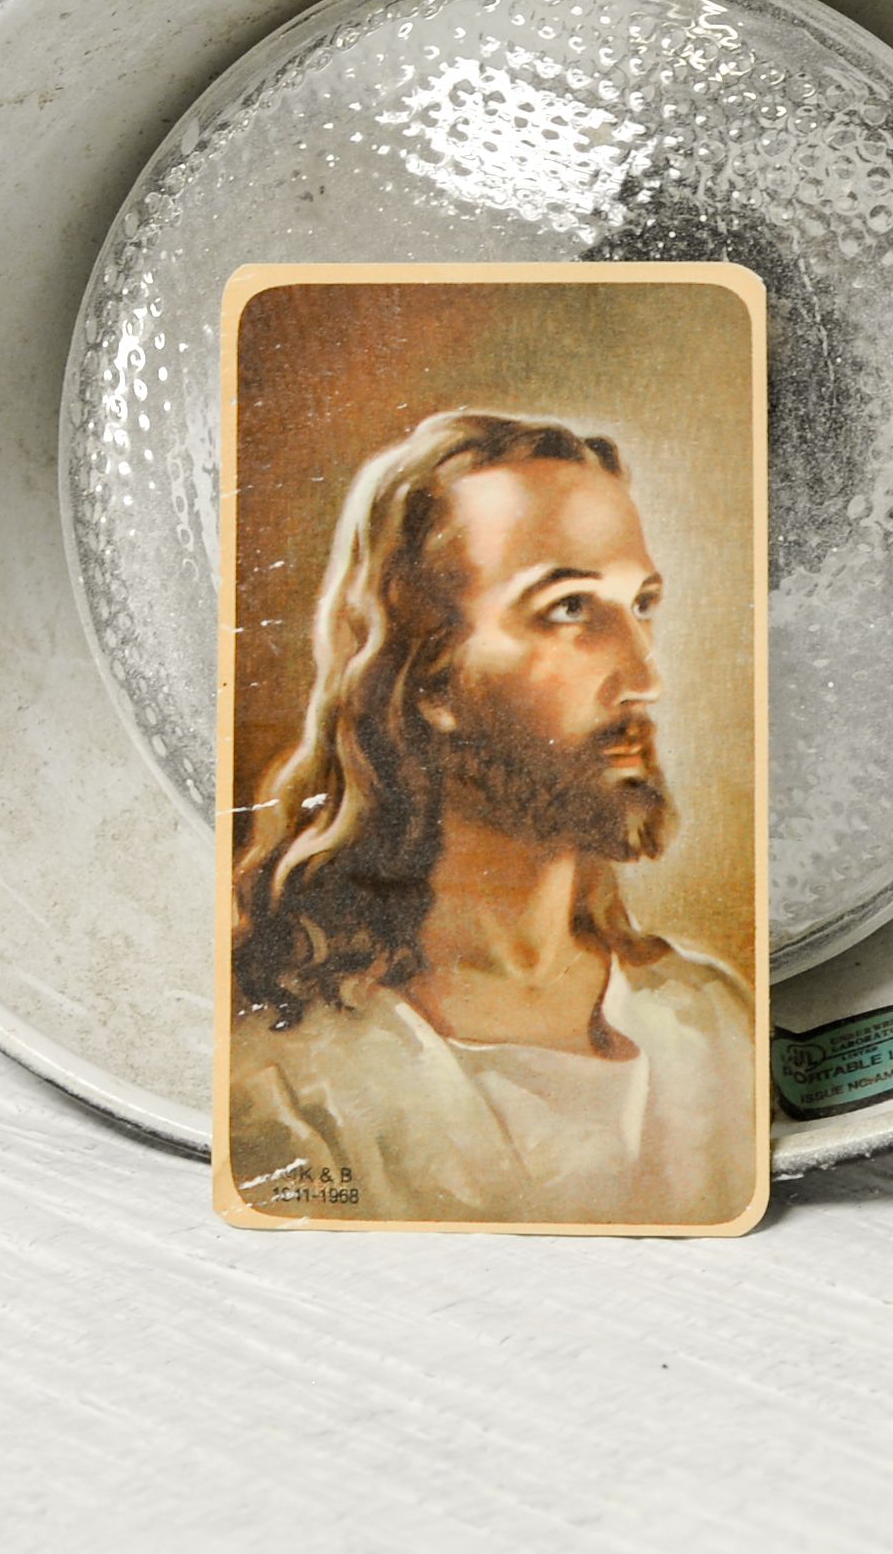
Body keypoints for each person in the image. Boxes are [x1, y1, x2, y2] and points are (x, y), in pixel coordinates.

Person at [221, 406, 758, 1225]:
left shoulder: (712, 1019)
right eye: (570, 609)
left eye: (642, 605)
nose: (645, 678)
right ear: (427, 676)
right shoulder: (289, 1076)